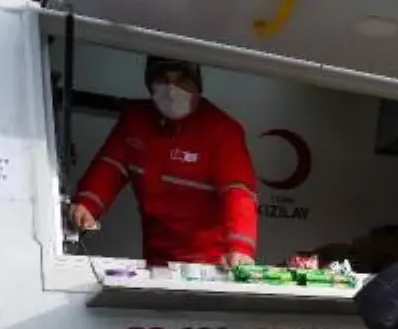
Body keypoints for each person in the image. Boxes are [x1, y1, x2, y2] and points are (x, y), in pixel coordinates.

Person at [69, 56, 258, 267]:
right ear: (149, 84)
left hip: (211, 261)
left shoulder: (223, 131)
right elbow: (109, 167)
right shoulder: (135, 122)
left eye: (181, 81)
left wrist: (241, 249)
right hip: (156, 258)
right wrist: (86, 205)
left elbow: (238, 193)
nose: (171, 90)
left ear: (197, 85)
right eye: (163, 80)